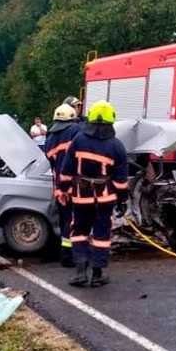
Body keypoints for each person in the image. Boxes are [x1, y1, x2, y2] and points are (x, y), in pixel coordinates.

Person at [59, 100, 128, 287]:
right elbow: (121, 180)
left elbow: (66, 170)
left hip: (81, 197)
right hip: (105, 200)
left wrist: (63, 190)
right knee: (102, 234)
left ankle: (80, 272)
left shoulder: (78, 140)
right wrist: (122, 201)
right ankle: (97, 275)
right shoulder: (117, 146)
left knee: (79, 232)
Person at [44, 104, 81, 267]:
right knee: (75, 221)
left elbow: (51, 160)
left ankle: (65, 252)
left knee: (66, 220)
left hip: (59, 187)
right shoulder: (74, 131)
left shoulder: (50, 137)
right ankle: (71, 256)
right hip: (74, 186)